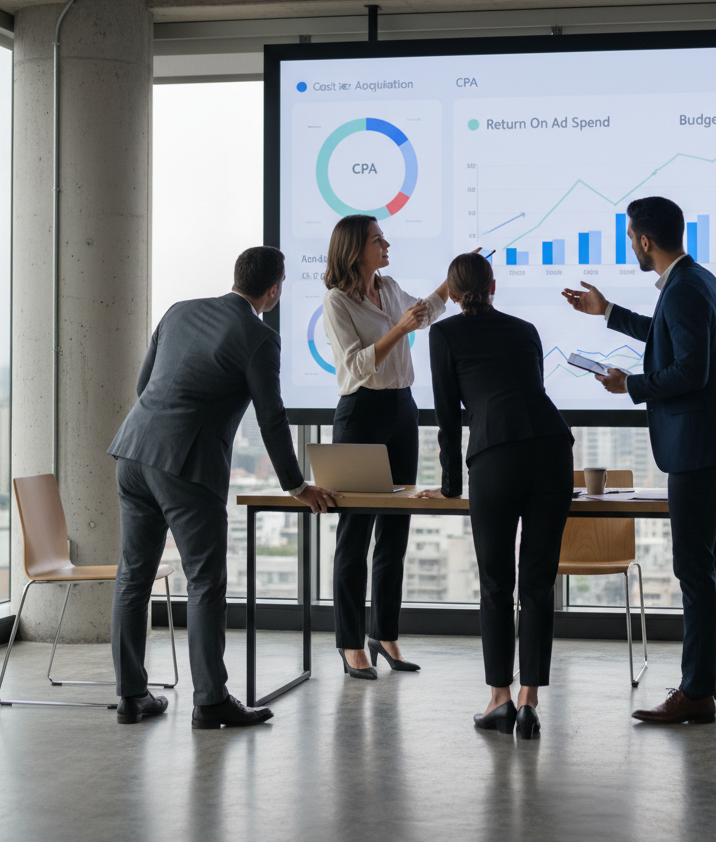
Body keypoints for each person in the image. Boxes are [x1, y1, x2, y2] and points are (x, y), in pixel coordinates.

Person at [107, 246, 340, 728]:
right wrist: (297, 485)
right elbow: (272, 418)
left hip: (133, 451)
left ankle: (132, 696)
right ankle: (210, 700)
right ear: (272, 291)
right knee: (205, 581)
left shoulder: (178, 312)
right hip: (185, 463)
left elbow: (143, 383)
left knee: (133, 577)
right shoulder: (257, 337)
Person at [562, 196, 716, 725]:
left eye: (629, 238)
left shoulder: (686, 288)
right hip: (713, 440)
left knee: (695, 565)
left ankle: (695, 693)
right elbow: (667, 337)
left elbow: (691, 372)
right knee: (714, 559)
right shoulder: (695, 280)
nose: (630, 246)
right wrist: (608, 314)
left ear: (645, 241)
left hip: (698, 445)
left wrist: (631, 385)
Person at [414, 253, 574, 738]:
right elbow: (531, 391)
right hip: (551, 449)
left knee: (496, 583)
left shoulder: (443, 335)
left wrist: (449, 486)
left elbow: (446, 416)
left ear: (454, 294)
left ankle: (499, 699)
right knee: (539, 582)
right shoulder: (525, 329)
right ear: (494, 287)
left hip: (494, 457)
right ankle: (530, 703)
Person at [321, 215, 457, 679]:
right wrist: (399, 329)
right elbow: (355, 367)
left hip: (403, 411)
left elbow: (426, 311)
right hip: (360, 414)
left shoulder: (392, 285)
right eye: (379, 240)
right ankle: (349, 642)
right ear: (355, 249)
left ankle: (385, 634)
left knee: (395, 532)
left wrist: (450, 282)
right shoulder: (337, 302)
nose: (387, 244)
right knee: (354, 534)